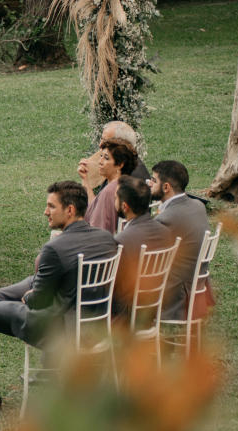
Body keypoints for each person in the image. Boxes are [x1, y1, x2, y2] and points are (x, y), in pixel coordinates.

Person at [0, 181, 119, 407]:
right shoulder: (106, 238)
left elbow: (38, 301)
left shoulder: (55, 248)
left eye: (51, 206)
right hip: (96, 323)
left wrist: (29, 296)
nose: (46, 212)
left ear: (70, 210)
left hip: (59, 330)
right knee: (31, 282)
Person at [149, 160, 212, 319]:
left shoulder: (166, 219)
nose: (150, 183)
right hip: (197, 288)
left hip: (176, 297)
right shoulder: (198, 206)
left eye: (154, 180)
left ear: (166, 187)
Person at [113, 177, 173, 314]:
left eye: (115, 198)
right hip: (157, 304)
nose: (114, 201)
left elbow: (115, 285)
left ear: (124, 206)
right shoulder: (167, 233)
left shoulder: (122, 241)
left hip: (127, 312)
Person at [80, 137, 139, 232]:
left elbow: (96, 230)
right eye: (101, 156)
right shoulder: (123, 183)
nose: (100, 161)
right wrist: (85, 179)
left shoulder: (110, 191)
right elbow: (95, 207)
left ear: (120, 164)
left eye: (106, 158)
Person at [78, 120, 151, 190]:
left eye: (106, 142)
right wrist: (85, 179)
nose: (100, 145)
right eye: (101, 139)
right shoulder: (119, 167)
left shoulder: (132, 180)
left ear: (121, 145)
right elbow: (97, 202)